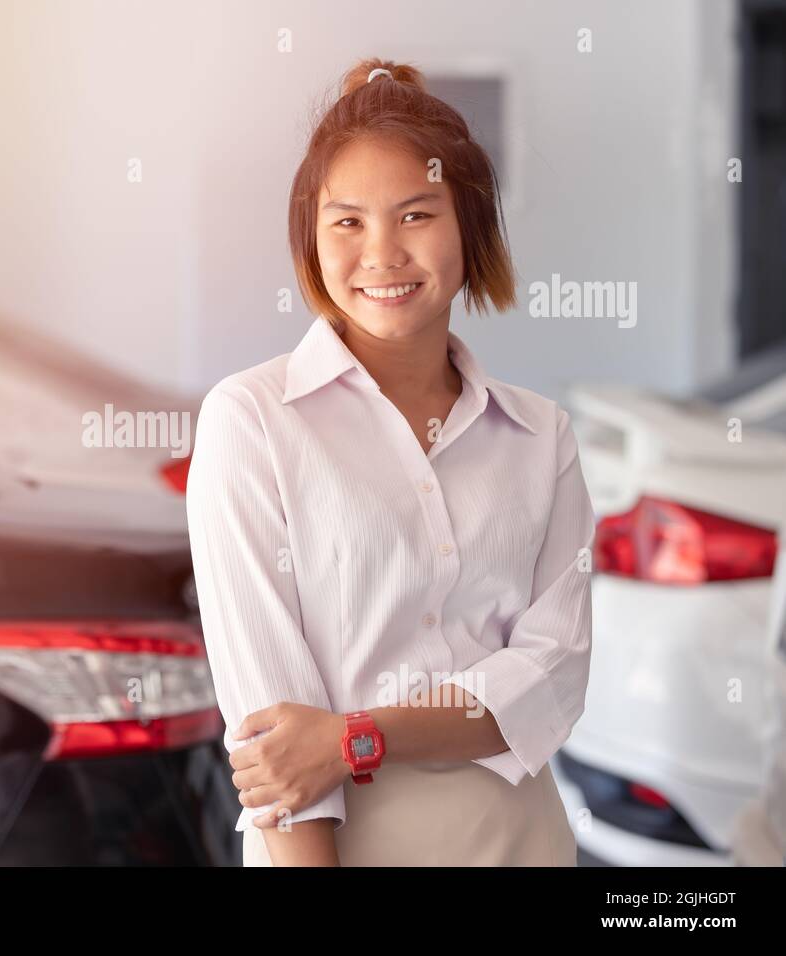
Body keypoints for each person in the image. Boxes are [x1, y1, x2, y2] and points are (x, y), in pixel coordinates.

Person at [185, 58, 592, 866]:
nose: (383, 254)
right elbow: (277, 744)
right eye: (347, 222)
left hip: (521, 840)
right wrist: (328, 751)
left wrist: (353, 739)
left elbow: (552, 677)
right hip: (337, 846)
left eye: (416, 215)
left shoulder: (542, 437)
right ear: (311, 237)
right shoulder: (254, 423)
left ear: (470, 227)